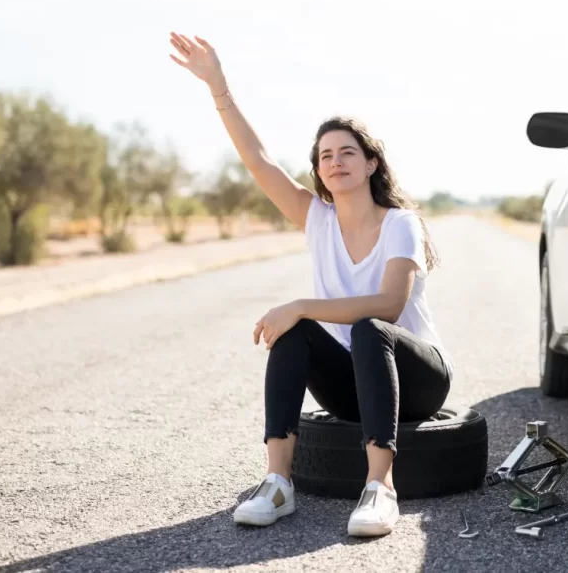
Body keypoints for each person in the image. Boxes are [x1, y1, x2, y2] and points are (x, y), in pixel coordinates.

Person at [168, 32, 453, 537]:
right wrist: (218, 87)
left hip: (417, 381)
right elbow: (259, 162)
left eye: (347, 151)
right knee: (294, 332)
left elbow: (389, 306)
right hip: (354, 389)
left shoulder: (399, 223)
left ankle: (380, 489)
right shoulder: (316, 219)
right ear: (319, 172)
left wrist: (302, 304)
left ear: (370, 163)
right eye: (325, 156)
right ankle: (278, 483)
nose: (336, 161)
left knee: (366, 327)